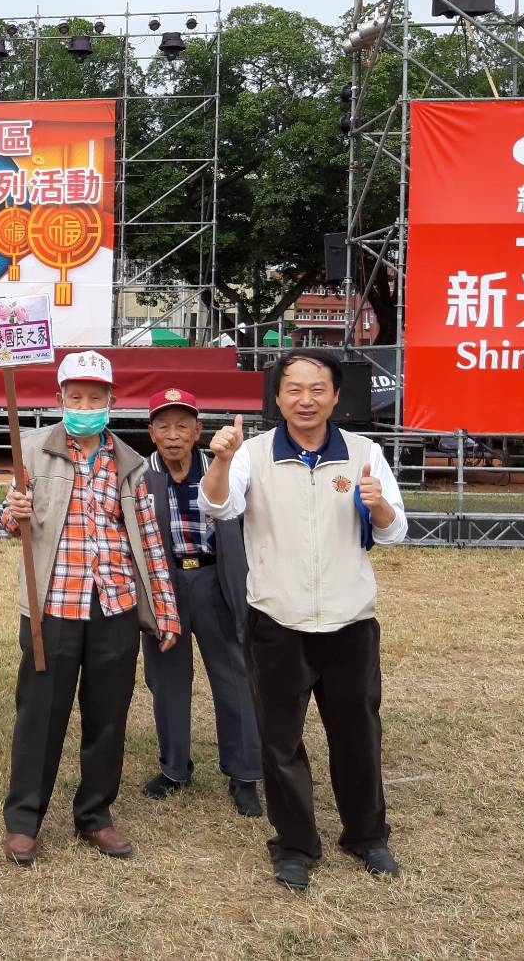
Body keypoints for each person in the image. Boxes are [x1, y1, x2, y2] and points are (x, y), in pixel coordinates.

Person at [200, 349, 408, 892]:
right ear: (278, 396)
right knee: (280, 742)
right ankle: (294, 845)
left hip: (349, 621)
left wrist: (380, 507)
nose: (306, 399)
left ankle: (367, 836)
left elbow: (394, 531)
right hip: (278, 620)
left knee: (357, 735)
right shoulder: (253, 454)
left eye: (318, 388)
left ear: (336, 396)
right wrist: (220, 461)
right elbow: (220, 508)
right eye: (294, 388)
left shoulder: (364, 453)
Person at [0, 351, 180, 867]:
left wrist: (164, 609)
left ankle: (95, 814)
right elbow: (11, 523)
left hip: (114, 604)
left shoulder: (129, 462)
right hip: (52, 605)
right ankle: (24, 820)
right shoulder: (30, 450)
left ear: (110, 401)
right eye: (75, 397)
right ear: (60, 400)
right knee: (41, 713)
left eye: (94, 397)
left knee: (108, 714)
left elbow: (147, 540)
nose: (84, 405)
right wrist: (14, 512)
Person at [139, 388, 261, 818]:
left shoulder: (225, 468)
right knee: (166, 676)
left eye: (183, 426)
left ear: (198, 430)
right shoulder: (139, 475)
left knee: (234, 674)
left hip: (214, 577)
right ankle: (174, 768)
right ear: (151, 432)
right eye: (164, 426)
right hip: (163, 581)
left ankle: (245, 773)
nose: (174, 436)